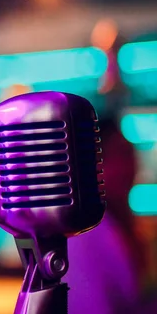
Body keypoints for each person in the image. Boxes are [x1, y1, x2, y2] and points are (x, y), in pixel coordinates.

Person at [64, 118, 145, 314]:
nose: (127, 168)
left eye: (129, 156)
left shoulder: (114, 223)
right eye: (117, 157)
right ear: (93, 169)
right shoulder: (87, 231)